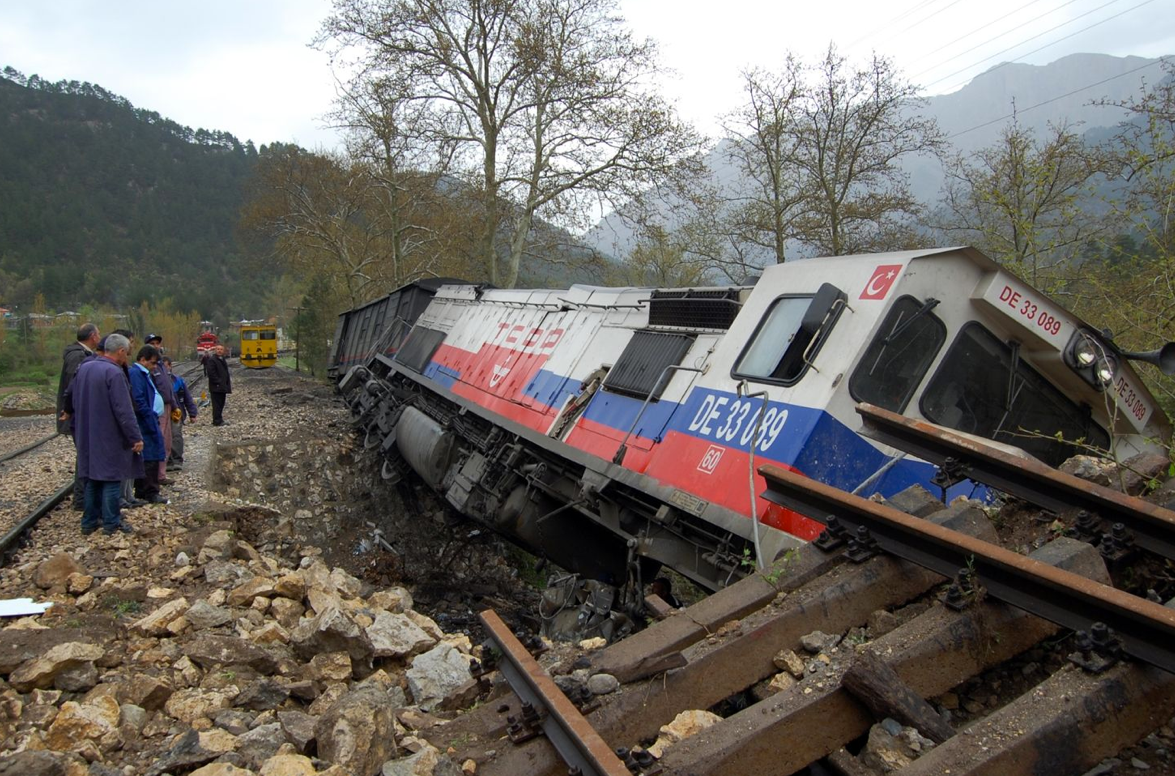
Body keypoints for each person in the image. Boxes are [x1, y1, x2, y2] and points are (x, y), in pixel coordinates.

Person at [62, 333, 142, 535]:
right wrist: (135, 437)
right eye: (127, 353)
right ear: (121, 351)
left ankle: (88, 522)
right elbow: (123, 410)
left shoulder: (85, 367)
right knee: (111, 478)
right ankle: (111, 522)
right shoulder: (113, 373)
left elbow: (69, 395)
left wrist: (69, 413)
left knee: (92, 478)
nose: (128, 358)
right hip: (108, 433)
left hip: (86, 431)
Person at [57, 322, 101, 509]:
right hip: (79, 416)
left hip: (79, 414)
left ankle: (83, 497)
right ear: (92, 336)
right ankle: (81, 499)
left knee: (86, 455)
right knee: (85, 456)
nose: (99, 337)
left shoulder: (82, 355)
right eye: (98, 334)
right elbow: (72, 387)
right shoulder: (78, 357)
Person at [129, 344, 167, 504]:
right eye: (152, 363)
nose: (154, 367)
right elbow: (138, 399)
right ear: (142, 359)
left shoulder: (143, 374)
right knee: (150, 455)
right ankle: (149, 490)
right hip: (145, 421)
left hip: (149, 418)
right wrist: (149, 415)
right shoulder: (136, 374)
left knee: (152, 453)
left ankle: (147, 489)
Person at [147, 335, 176, 482]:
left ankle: (161, 473)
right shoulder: (150, 367)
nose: (156, 346)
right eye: (152, 344)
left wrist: (175, 405)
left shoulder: (160, 365)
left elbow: (168, 387)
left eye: (157, 343)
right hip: (158, 409)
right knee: (160, 440)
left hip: (168, 406)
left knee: (167, 442)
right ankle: (157, 475)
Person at [163, 356, 197, 470]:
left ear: (170, 366)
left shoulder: (178, 381)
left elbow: (187, 398)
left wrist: (192, 413)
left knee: (176, 435)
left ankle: (177, 459)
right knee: (165, 436)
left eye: (166, 365)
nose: (164, 368)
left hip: (176, 413)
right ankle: (168, 460)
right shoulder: (157, 381)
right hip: (163, 413)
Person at [205, 344, 232, 426]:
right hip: (216, 387)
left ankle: (219, 419)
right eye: (218, 349)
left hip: (222, 386)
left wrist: (226, 383)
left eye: (221, 349)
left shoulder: (222, 359)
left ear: (223, 351)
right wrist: (218, 382)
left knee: (221, 403)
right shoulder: (212, 360)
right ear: (215, 350)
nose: (219, 351)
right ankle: (217, 421)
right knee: (217, 404)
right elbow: (211, 373)